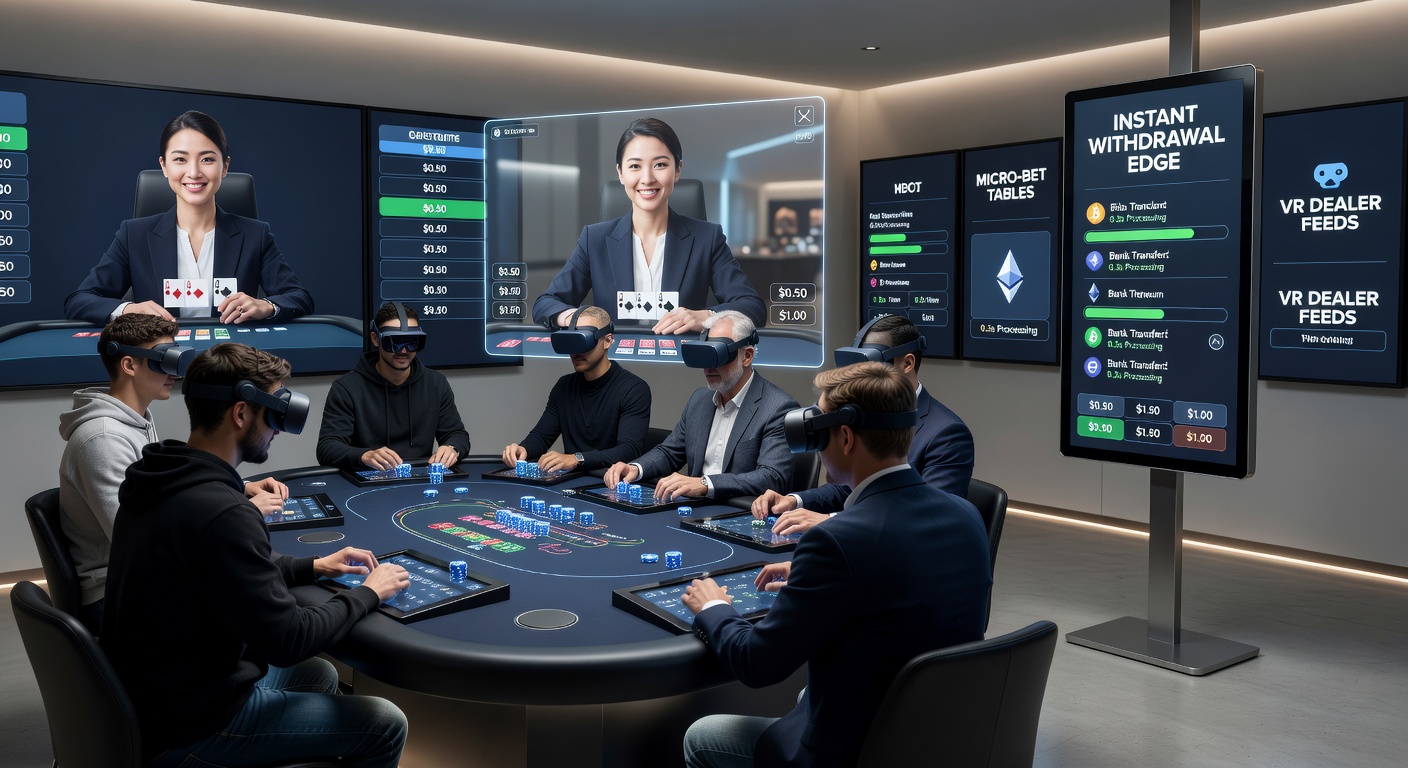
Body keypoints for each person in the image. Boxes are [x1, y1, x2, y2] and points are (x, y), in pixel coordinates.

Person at [100, 342, 410, 767]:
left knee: (318, 674)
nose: (279, 430)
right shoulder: (222, 511)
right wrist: (368, 593)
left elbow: (222, 566)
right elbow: (288, 639)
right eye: (275, 415)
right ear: (241, 413)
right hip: (193, 725)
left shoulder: (159, 474)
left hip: (158, 693)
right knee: (384, 722)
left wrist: (314, 566)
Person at [680, 362, 992, 768]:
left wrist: (714, 607)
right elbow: (907, 583)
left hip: (855, 749)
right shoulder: (967, 515)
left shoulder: (836, 541)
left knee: (702, 737)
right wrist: (828, 579)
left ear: (845, 436)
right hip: (937, 736)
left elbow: (757, 663)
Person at [57, 314, 287, 634]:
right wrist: (239, 512)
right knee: (251, 606)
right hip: (113, 596)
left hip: (144, 577)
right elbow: (135, 538)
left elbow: (164, 494)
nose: (174, 373)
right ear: (129, 365)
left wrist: (239, 487)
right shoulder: (102, 438)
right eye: (165, 359)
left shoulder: (135, 420)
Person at [65, 110, 313, 325]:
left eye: (207, 159)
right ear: (164, 166)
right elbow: (80, 301)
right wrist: (128, 310)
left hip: (231, 363)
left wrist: (266, 306)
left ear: (224, 167)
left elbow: (298, 296)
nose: (194, 172)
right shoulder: (134, 236)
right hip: (158, 363)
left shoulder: (255, 235)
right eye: (180, 159)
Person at [532, 117, 765, 334]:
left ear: (677, 170)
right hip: (614, 365)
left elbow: (753, 307)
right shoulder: (594, 239)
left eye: (660, 165)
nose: (647, 178)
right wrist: (575, 317)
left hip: (683, 365)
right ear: (620, 173)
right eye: (635, 166)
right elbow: (546, 304)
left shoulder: (707, 238)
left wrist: (706, 316)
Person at [752, 314, 975, 536]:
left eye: (872, 365)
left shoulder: (946, 433)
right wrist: (795, 500)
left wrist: (832, 521)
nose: (861, 377)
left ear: (907, 363)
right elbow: (849, 486)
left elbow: (930, 516)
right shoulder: (860, 415)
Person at [604, 310, 796, 501]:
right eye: (704, 355)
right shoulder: (700, 399)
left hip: (741, 513)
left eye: (718, 355)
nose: (708, 367)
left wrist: (706, 484)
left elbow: (772, 477)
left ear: (746, 356)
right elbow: (669, 453)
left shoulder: (778, 408)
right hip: (694, 510)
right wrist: (635, 469)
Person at [317, 301, 470, 470]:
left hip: (421, 478)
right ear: (376, 339)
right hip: (368, 481)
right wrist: (364, 455)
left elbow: (457, 434)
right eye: (394, 342)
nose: (403, 351)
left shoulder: (436, 384)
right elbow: (327, 447)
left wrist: (452, 448)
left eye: (411, 342)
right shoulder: (346, 388)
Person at [501, 305, 652, 472]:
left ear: (607, 341)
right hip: (572, 481)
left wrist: (576, 458)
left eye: (583, 341)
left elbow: (628, 450)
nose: (575, 352)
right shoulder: (564, 386)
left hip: (613, 481)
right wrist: (524, 449)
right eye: (571, 342)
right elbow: (542, 436)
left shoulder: (634, 389)